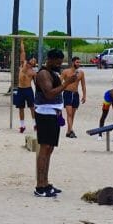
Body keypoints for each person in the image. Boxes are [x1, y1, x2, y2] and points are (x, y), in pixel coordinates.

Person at [33, 49, 80, 198]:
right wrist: (67, 83)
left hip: (53, 113)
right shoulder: (43, 74)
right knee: (44, 148)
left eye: (61, 62)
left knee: (50, 149)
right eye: (58, 62)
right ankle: (40, 186)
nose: (60, 65)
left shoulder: (53, 73)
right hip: (45, 114)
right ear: (50, 60)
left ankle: (45, 182)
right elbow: (49, 93)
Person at [12, 40, 37, 134]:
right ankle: (22, 126)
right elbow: (23, 52)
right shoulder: (23, 64)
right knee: (20, 108)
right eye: (32, 59)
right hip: (20, 89)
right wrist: (22, 42)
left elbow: (36, 83)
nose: (33, 61)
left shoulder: (33, 72)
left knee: (32, 107)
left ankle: (35, 124)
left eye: (35, 61)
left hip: (28, 89)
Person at [60, 57, 87, 139]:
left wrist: (84, 95)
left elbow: (83, 85)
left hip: (75, 94)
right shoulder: (65, 72)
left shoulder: (81, 73)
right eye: (77, 62)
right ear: (73, 63)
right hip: (67, 93)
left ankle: (68, 131)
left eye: (79, 62)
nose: (78, 64)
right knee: (69, 113)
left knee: (73, 114)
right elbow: (59, 83)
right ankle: (71, 130)